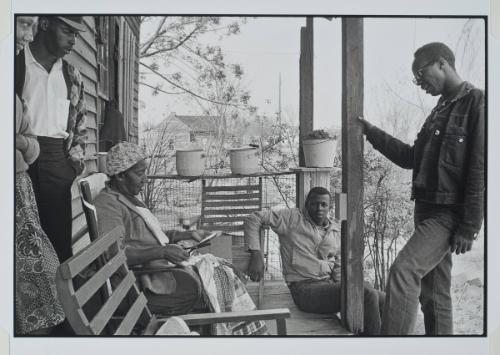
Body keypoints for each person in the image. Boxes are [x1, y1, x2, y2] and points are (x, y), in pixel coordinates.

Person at [358, 42, 485, 335]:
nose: (419, 83)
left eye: (421, 73)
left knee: (403, 272)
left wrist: (470, 226)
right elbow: (409, 158)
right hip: (425, 211)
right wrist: (371, 132)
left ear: (442, 63)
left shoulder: (478, 102)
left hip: (447, 214)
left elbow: (480, 168)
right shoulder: (438, 111)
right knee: (435, 295)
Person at [94, 142, 267, 335]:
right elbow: (113, 256)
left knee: (223, 271)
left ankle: (238, 334)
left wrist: (185, 234)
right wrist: (162, 251)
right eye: (140, 174)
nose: (145, 179)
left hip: (157, 270)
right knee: (211, 283)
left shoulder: (128, 197)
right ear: (120, 175)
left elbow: (150, 236)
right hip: (142, 283)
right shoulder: (108, 205)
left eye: (145, 172)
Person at [244, 186, 385, 335]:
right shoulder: (292, 218)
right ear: (307, 204)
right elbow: (254, 218)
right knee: (367, 291)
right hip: (304, 290)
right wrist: (256, 254)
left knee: (386, 300)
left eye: (323, 204)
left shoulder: (335, 229)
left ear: (329, 207)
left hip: (328, 286)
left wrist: (345, 288)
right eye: (314, 204)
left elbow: (338, 266)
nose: (319, 208)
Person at [15, 16, 87, 263]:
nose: (73, 40)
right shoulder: (15, 63)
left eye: (77, 35)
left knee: (58, 247)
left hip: (58, 162)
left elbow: (79, 127)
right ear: (45, 24)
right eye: (67, 31)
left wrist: (72, 166)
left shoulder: (71, 75)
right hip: (19, 161)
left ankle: (59, 301)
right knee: (22, 243)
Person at [15, 16, 65, 335]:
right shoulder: (21, 73)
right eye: (23, 25)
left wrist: (19, 142)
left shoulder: (70, 74)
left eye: (32, 25)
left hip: (26, 182)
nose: (28, 35)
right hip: (25, 178)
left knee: (44, 267)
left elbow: (30, 142)